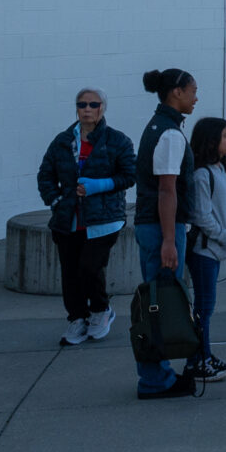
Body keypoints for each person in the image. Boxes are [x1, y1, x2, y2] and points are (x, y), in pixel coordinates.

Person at [36, 88, 137, 345]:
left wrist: (98, 186)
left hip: (104, 219)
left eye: (93, 104)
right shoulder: (62, 141)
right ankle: (76, 319)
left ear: (103, 107)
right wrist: (57, 201)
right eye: (82, 104)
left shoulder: (117, 140)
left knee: (89, 267)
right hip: (68, 220)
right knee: (70, 273)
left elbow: (130, 175)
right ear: (76, 108)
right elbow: (45, 175)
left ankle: (101, 310)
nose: (87, 109)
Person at [133, 68, 200, 400]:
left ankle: (157, 376)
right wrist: (170, 240)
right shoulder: (170, 134)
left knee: (156, 303)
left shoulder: (157, 126)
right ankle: (154, 380)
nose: (195, 97)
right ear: (176, 92)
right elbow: (166, 191)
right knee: (159, 305)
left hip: (153, 226)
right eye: (192, 91)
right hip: (160, 228)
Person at [181, 116, 226, 382]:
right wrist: (224, 238)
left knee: (206, 307)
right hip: (204, 252)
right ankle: (197, 362)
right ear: (211, 140)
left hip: (215, 250)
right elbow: (201, 215)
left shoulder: (220, 169)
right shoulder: (202, 173)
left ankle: (205, 356)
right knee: (204, 308)